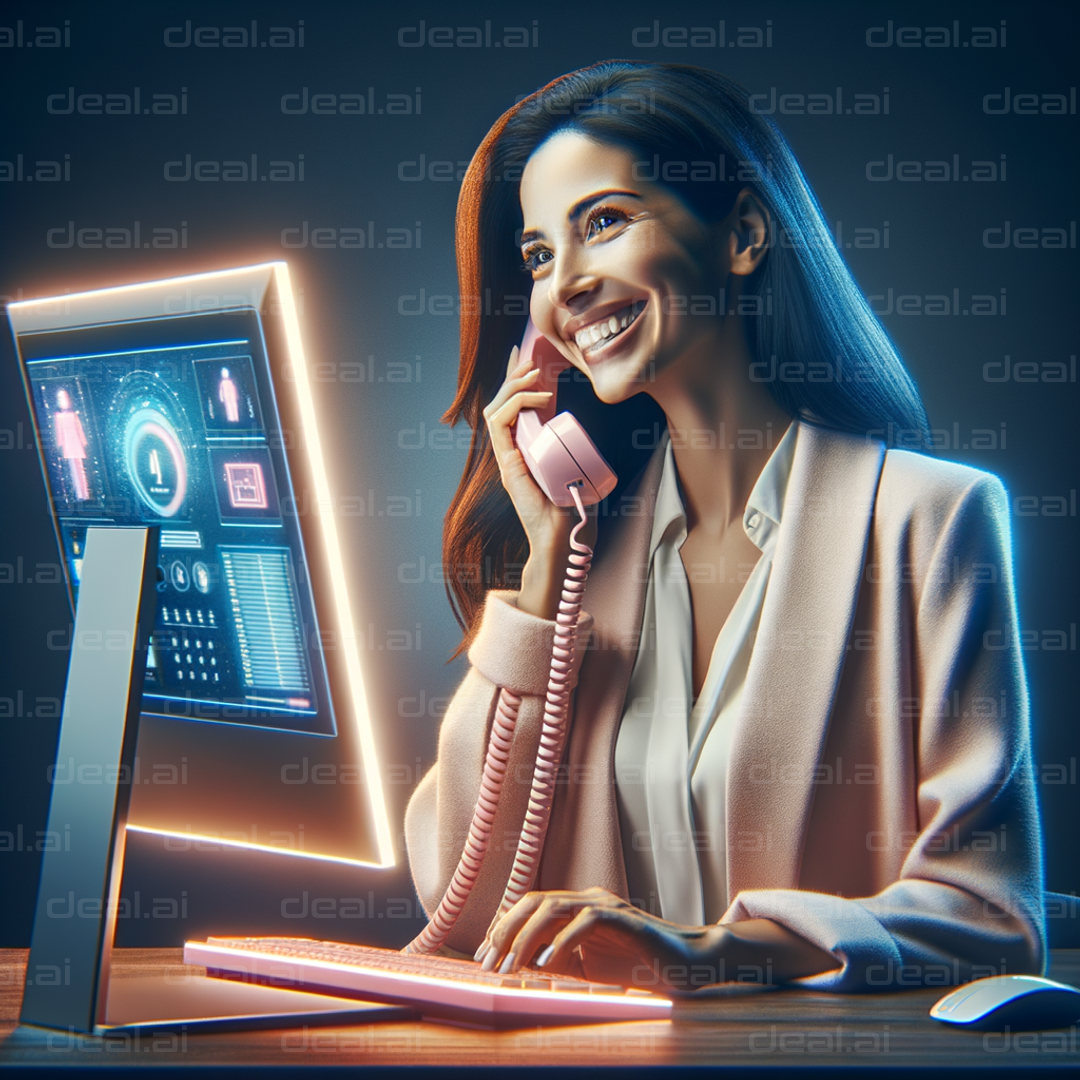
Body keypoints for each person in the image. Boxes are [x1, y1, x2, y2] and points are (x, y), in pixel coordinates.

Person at [404, 61, 1045, 993]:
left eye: (605, 222)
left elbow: (988, 915)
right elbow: (457, 904)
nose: (566, 284)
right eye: (540, 255)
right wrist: (545, 570)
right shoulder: (593, 555)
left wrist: (712, 950)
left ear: (743, 233)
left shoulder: (932, 521)